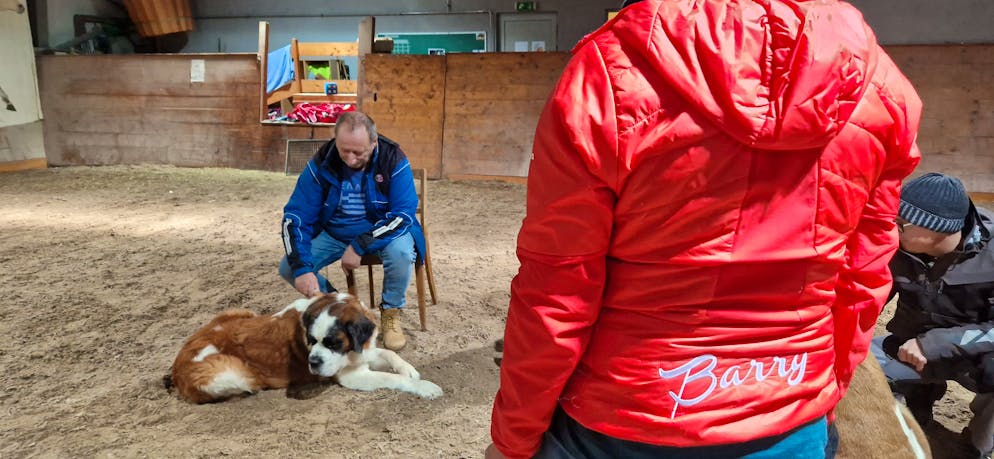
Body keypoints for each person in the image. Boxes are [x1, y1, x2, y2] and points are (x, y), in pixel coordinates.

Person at [486, 0, 923, 458]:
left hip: (629, 417)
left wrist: (513, 438)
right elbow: (863, 279)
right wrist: (823, 393)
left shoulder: (609, 71)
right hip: (790, 409)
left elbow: (557, 289)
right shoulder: (882, 88)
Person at [278, 111, 426, 351]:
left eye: (358, 152)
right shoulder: (322, 161)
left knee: (401, 253)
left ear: (374, 142)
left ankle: (390, 312)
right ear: (335, 140)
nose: (349, 158)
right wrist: (303, 269)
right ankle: (336, 305)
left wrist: (359, 246)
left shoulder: (393, 157)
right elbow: (296, 216)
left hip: (383, 231)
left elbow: (403, 215)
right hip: (334, 231)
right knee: (289, 267)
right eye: (343, 150)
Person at [872, 172, 994, 459]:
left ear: (937, 230)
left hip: (976, 358)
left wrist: (936, 344)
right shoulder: (899, 248)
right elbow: (873, 293)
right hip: (909, 347)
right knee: (856, 364)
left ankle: (977, 446)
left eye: (900, 224)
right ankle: (916, 405)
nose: (892, 229)